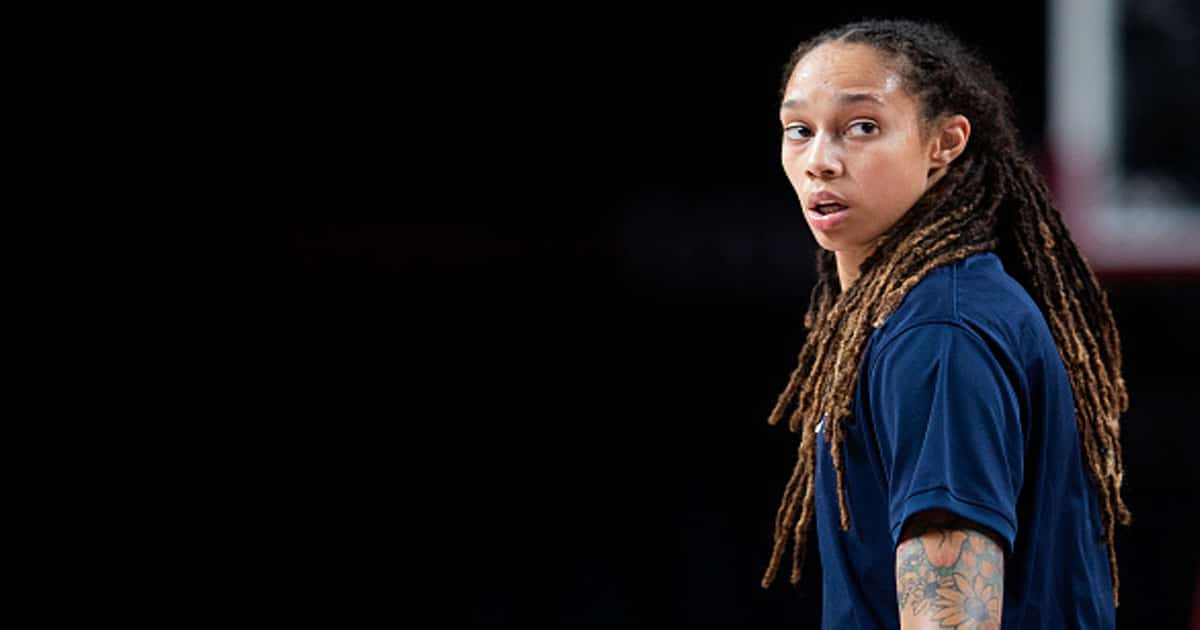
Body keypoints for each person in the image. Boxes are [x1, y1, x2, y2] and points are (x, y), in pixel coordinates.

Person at [759, 19, 1132, 629]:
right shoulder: (928, 312)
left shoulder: (938, 335)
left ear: (945, 143)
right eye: (799, 131)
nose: (819, 161)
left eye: (862, 127)